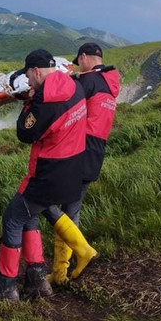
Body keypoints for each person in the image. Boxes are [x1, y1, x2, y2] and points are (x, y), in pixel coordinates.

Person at [0, 49, 91, 303]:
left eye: (28, 76)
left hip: (49, 172)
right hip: (72, 168)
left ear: (37, 71)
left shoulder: (45, 102)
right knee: (30, 217)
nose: (27, 82)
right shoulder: (74, 86)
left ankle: (6, 287)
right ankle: (37, 279)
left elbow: (25, 133)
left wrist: (30, 102)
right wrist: (35, 97)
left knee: (13, 218)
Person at [45, 42, 120, 286]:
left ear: (85, 57)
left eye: (80, 62)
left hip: (79, 148)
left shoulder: (87, 82)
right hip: (97, 152)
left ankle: (84, 250)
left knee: (44, 200)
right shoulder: (108, 82)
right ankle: (60, 273)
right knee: (71, 212)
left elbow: (66, 102)